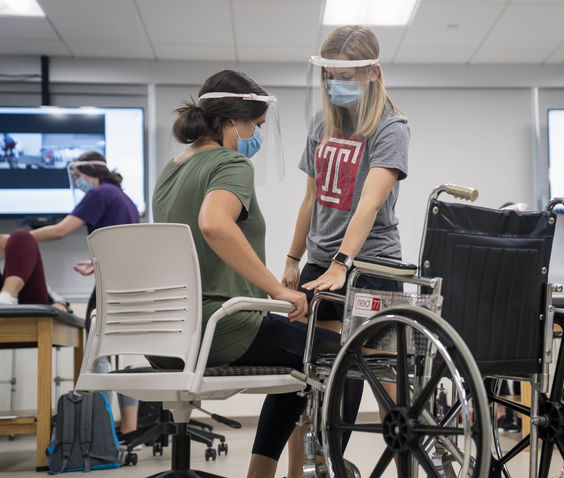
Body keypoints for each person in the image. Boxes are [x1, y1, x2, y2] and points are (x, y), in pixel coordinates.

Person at [153, 69, 352, 478]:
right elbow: (214, 224)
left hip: (168, 336)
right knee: (344, 355)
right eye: (256, 126)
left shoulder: (170, 170)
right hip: (222, 328)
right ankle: (321, 468)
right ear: (232, 121)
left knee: (299, 369)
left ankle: (262, 473)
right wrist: (278, 290)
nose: (256, 136)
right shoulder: (229, 162)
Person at [281, 25, 409, 477]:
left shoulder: (392, 127)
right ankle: (308, 470)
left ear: (372, 72)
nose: (336, 85)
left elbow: (371, 203)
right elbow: (311, 198)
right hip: (320, 262)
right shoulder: (322, 123)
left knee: (381, 378)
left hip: (373, 262)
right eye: (330, 76)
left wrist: (343, 263)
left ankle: (408, 463)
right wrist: (295, 259)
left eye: (346, 76)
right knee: (310, 375)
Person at [0, 152, 142, 434]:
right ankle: (128, 431)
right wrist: (98, 261)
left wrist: (16, 240)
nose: (76, 181)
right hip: (128, 282)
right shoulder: (124, 199)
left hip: (110, 287)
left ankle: (101, 432)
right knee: (122, 356)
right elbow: (126, 245)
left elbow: (60, 230)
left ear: (88, 170)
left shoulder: (100, 194)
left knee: (97, 356)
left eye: (76, 176)